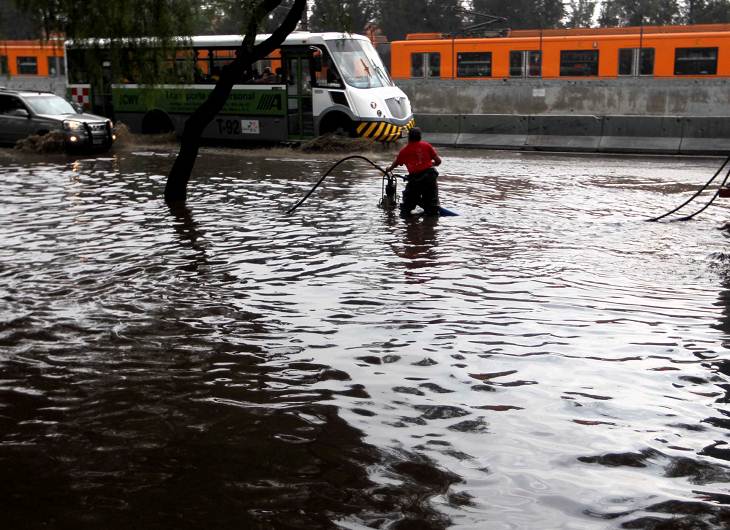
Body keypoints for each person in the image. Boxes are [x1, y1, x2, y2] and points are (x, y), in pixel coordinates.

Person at [385, 127, 442, 217]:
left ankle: (410, 226)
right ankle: (431, 225)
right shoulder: (427, 146)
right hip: (430, 178)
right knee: (432, 208)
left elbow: (395, 163)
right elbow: (438, 162)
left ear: (409, 137)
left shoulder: (404, 151)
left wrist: (389, 168)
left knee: (406, 208)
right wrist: (430, 163)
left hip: (416, 180)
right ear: (420, 137)